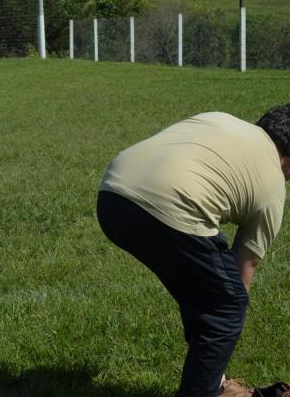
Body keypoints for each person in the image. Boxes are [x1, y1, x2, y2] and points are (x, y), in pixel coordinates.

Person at [96, 106, 290, 397]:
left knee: (205, 294)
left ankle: (214, 383)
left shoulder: (220, 118)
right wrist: (222, 326)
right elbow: (241, 274)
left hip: (112, 197)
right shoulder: (274, 186)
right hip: (169, 209)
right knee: (226, 306)